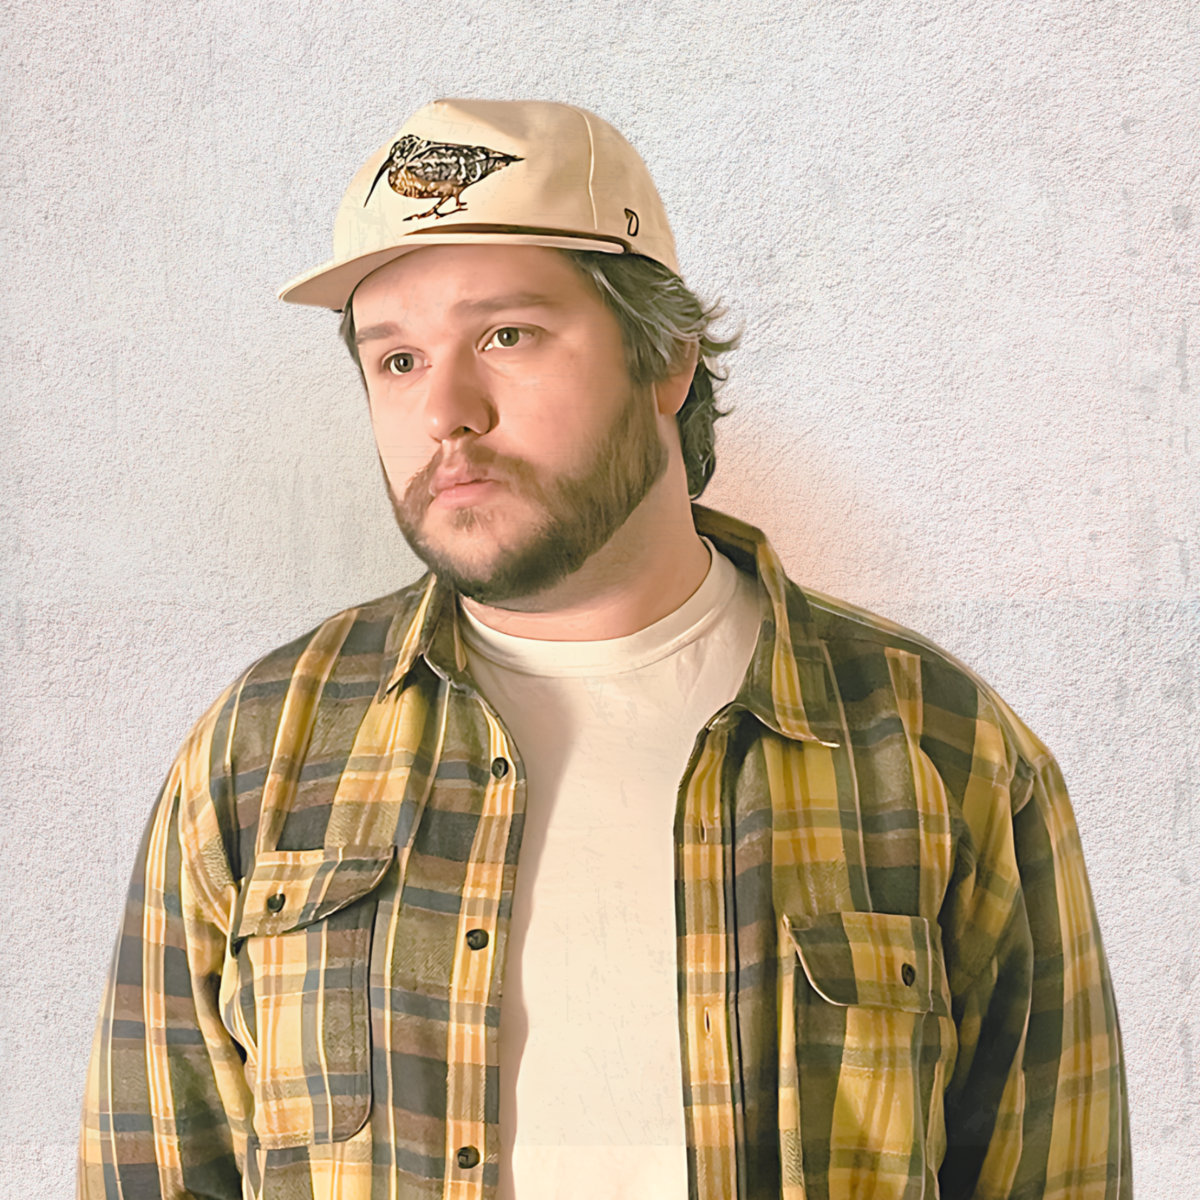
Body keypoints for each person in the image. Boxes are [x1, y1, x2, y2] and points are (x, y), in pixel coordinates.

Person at [77, 98, 1131, 1200]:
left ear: (666, 359)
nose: (446, 411)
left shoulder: (941, 747)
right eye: (398, 359)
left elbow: (1060, 1175)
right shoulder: (263, 751)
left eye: (507, 336)